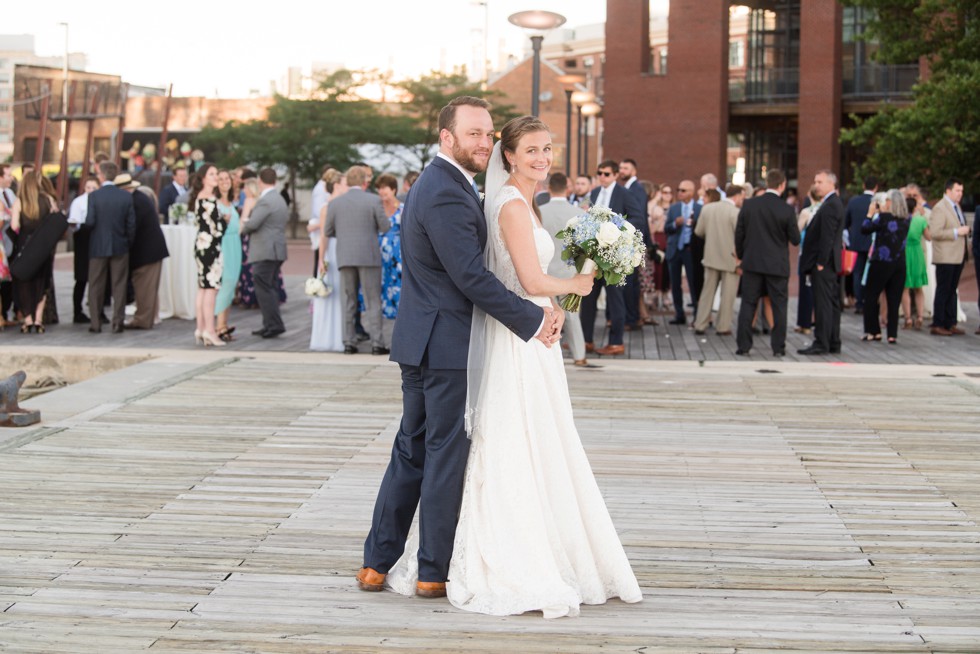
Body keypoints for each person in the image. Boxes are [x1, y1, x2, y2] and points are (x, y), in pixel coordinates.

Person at [383, 113, 642, 618]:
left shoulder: (498, 199)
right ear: (508, 156)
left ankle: (387, 561)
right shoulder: (488, 200)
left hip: (487, 336)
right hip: (483, 338)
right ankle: (435, 570)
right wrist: (574, 287)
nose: (543, 158)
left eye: (548, 150)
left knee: (428, 448)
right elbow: (487, 277)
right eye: (531, 150)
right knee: (461, 450)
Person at [357, 96, 559, 603]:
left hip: (426, 339)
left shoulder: (442, 183)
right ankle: (431, 572)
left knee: (413, 449)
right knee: (443, 455)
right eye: (474, 133)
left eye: (488, 134)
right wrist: (531, 319)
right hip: (446, 344)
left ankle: (376, 564)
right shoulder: (445, 190)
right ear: (446, 136)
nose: (485, 142)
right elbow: (469, 275)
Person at [734, 169, 800, 357]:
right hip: (777, 265)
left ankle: (744, 346)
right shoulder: (786, 209)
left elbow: (739, 234)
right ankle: (778, 347)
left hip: (752, 263)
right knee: (779, 306)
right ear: (782, 185)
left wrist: (741, 256)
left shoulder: (749, 205)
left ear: (767, 182)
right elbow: (795, 239)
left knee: (748, 304)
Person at [324, 165, 390, 354]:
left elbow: (328, 231)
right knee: (373, 301)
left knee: (348, 300)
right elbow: (384, 227)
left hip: (345, 255)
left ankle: (348, 342)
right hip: (368, 255)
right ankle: (377, 344)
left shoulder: (335, 203)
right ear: (363, 182)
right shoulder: (373, 200)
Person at [580, 160, 640, 356]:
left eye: (606, 174)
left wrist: (615, 227)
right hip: (594, 253)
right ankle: (585, 340)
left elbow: (638, 218)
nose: (602, 177)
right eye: (599, 173)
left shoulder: (625, 193)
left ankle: (616, 342)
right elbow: (585, 213)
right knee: (588, 297)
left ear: (615, 175)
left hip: (615, 253)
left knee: (615, 299)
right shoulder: (595, 193)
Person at [540, 171, 595, 368]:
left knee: (542, 314)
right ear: (568, 188)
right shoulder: (579, 214)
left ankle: (544, 355)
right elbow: (587, 247)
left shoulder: (538, 211)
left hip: (542, 271)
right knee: (572, 316)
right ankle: (579, 355)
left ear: (548, 188)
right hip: (569, 272)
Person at [9, 171, 62, 333]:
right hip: (42, 246)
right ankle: (38, 319)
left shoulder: (20, 201)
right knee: (42, 281)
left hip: (25, 245)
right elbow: (56, 220)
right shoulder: (48, 200)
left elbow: (14, 226)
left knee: (24, 282)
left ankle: (27, 320)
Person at [798, 170, 845, 355]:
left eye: (820, 181)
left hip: (824, 264)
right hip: (827, 263)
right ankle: (832, 341)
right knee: (830, 303)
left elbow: (827, 236)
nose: (816, 185)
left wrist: (820, 262)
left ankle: (822, 342)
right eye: (815, 181)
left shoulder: (831, 205)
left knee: (823, 303)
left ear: (831, 184)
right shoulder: (831, 203)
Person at [86, 161, 135, 334]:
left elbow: (90, 221)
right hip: (120, 245)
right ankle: (118, 322)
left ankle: (95, 323)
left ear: (101, 175)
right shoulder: (126, 197)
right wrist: (127, 241)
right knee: (119, 284)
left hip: (98, 245)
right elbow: (131, 225)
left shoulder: (94, 196)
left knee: (95, 285)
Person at [240, 168, 289, 338]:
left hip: (266, 250)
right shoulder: (280, 199)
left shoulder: (265, 201)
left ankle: (274, 324)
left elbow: (253, 224)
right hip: (276, 249)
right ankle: (270, 323)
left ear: (260, 181)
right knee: (271, 287)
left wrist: (243, 223)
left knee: (263, 288)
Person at [860, 189, 911, 344]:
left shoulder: (883, 218)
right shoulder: (907, 219)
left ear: (891, 202)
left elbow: (865, 228)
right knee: (894, 299)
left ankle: (873, 331)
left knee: (871, 295)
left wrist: (870, 213)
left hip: (881, 262)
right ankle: (892, 334)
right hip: (899, 264)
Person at [120, 176, 169, 330]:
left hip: (146, 252)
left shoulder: (135, 202)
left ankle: (142, 319)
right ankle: (150, 317)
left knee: (144, 287)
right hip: (153, 250)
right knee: (149, 288)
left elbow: (132, 229)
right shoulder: (141, 198)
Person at [694, 184, 743, 335]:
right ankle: (722, 327)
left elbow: (698, 231)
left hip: (710, 257)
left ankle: (700, 324)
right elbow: (741, 237)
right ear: (737, 196)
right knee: (727, 296)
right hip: (731, 260)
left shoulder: (707, 209)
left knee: (706, 293)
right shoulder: (736, 213)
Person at [311, 169, 349, 351]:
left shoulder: (343, 204)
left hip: (343, 248)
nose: (347, 187)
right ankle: (327, 337)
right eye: (344, 184)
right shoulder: (326, 207)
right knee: (330, 290)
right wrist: (321, 259)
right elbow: (324, 236)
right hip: (331, 250)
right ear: (336, 186)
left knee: (342, 292)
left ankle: (340, 336)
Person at [189, 164, 226, 347]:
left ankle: (201, 328)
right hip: (210, 246)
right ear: (203, 178)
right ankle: (209, 330)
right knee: (210, 289)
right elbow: (217, 228)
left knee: (203, 288)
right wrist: (225, 221)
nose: (215, 177)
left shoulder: (200, 198)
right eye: (211, 174)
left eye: (216, 174)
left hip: (202, 244)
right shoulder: (209, 199)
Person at [928, 178, 969, 336]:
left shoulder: (956, 207)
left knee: (952, 290)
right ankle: (938, 323)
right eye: (957, 191)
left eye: (962, 191)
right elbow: (935, 233)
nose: (960, 194)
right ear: (948, 190)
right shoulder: (940, 208)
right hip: (945, 256)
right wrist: (956, 232)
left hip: (957, 255)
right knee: (943, 290)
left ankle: (950, 321)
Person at [664, 179, 701, 324]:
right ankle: (679, 314)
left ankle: (698, 314)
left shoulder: (699, 209)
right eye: (678, 190)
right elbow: (666, 229)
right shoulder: (674, 208)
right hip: (675, 250)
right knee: (675, 283)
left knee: (693, 283)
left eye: (683, 190)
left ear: (691, 192)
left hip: (690, 251)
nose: (679, 193)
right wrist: (674, 223)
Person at [214, 169, 242, 341]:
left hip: (234, 245)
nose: (225, 181)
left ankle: (224, 323)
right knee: (225, 283)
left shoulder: (231, 202)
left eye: (227, 179)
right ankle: (218, 326)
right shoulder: (216, 203)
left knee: (231, 285)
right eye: (221, 179)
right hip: (223, 245)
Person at [67, 178, 99, 324]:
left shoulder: (100, 201)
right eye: (88, 187)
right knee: (81, 278)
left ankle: (98, 310)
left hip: (96, 240)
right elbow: (74, 222)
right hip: (82, 241)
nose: (90, 190)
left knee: (97, 277)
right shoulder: (79, 202)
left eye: (93, 187)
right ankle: (77, 311)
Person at [845, 176, 877, 314]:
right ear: (876, 187)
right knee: (871, 273)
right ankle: (869, 301)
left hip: (856, 242)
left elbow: (846, 224)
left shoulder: (853, 202)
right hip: (872, 244)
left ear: (864, 185)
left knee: (857, 273)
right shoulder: (878, 202)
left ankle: (859, 302)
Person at [901, 195, 931, 331]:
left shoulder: (902, 220)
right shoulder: (920, 220)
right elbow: (929, 237)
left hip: (905, 252)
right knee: (919, 287)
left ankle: (907, 318)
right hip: (918, 252)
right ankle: (919, 317)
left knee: (905, 288)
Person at [794, 185, 821, 335]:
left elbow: (797, 233)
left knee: (805, 289)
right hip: (821, 256)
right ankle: (818, 320)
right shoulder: (825, 209)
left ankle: (804, 323)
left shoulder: (807, 212)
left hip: (806, 254)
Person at [376, 174, 403, 320]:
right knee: (382, 287)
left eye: (384, 187)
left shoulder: (402, 209)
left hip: (398, 256)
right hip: (378, 254)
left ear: (393, 189)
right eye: (379, 188)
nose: (381, 191)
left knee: (399, 287)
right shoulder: (377, 208)